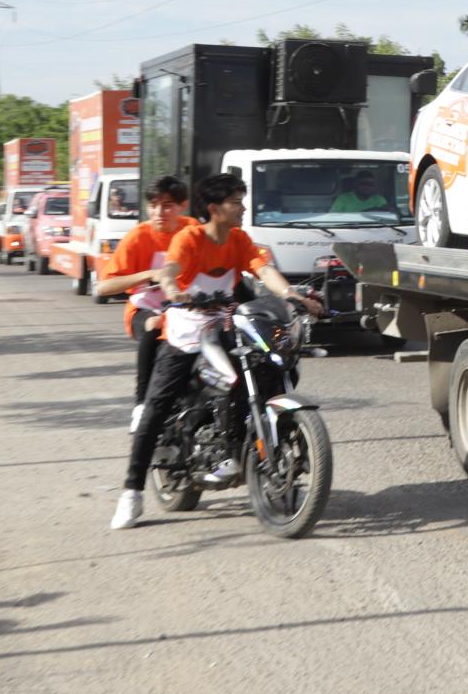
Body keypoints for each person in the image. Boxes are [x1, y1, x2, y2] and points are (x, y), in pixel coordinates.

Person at [111, 172, 322, 530]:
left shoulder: (238, 239)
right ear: (214, 208)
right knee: (155, 407)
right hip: (185, 334)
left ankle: (247, 451)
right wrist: (172, 290)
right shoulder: (189, 238)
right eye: (235, 202)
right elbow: (171, 270)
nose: (242, 208)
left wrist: (292, 296)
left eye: (241, 200)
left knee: (265, 366)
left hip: (224, 327)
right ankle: (131, 492)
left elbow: (263, 268)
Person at [94, 174, 192, 434]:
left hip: (191, 310)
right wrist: (147, 275)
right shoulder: (138, 237)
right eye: (154, 205)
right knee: (154, 324)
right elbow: (103, 287)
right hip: (146, 310)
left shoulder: (193, 231)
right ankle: (141, 405)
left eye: (168, 205)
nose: (160, 212)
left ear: (183, 205)